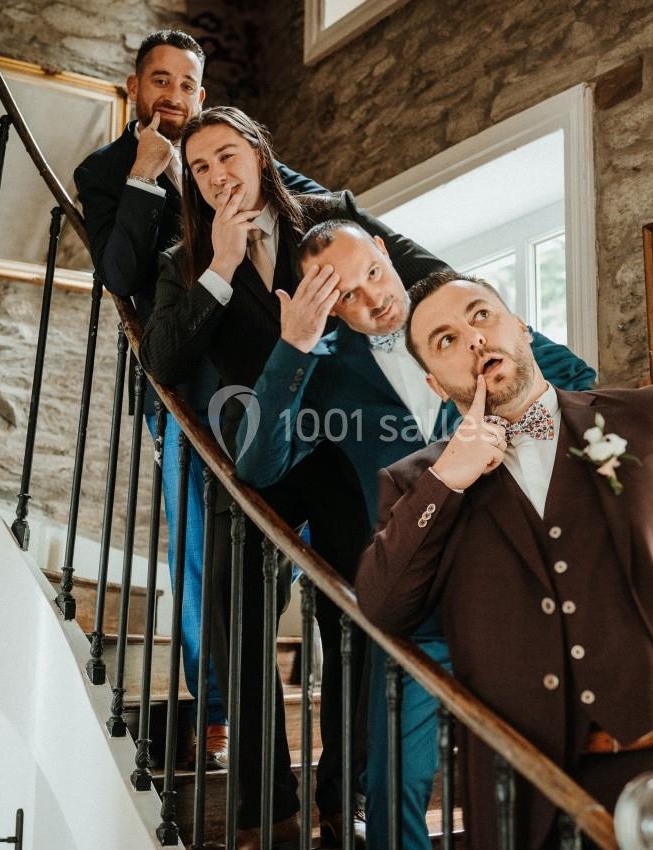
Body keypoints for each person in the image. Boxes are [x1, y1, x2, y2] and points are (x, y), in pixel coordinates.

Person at [356, 275, 653, 849]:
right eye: (445, 340)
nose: (472, 340)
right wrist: (448, 477)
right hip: (522, 792)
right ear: (432, 380)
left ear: (520, 327)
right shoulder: (414, 483)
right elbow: (382, 608)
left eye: (480, 316)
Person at [141, 106, 446, 849]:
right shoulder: (183, 261)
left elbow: (424, 269)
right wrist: (216, 266)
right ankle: (263, 813)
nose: (215, 175)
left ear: (258, 150)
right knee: (237, 633)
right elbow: (163, 364)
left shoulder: (331, 216)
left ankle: (347, 797)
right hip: (249, 462)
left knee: (355, 618)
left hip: (340, 454)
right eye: (200, 166)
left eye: (226, 156)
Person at [234, 230, 596, 850]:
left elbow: (580, 384)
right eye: (346, 295)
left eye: (374, 272)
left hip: (518, 588)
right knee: (393, 780)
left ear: (383, 248)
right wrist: (293, 345)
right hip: (414, 601)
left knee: (533, 766)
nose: (373, 299)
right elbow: (258, 467)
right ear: (327, 308)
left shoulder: (470, 319)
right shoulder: (321, 373)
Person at [72, 30, 323, 770]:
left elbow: (301, 199)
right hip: (183, 385)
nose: (173, 96)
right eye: (161, 81)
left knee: (293, 536)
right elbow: (120, 277)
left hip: (266, 371)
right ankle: (218, 714)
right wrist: (148, 179)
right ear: (135, 89)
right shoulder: (106, 171)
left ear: (202, 95)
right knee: (200, 559)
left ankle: (309, 637)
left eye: (187, 84)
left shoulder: (227, 153)